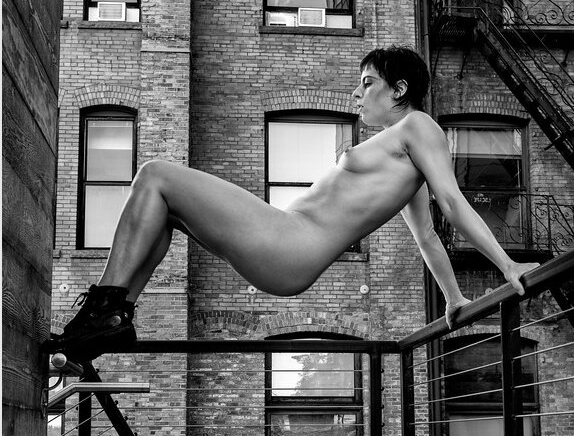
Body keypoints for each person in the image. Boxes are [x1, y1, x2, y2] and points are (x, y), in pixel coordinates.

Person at [48, 46, 539, 359]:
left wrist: (507, 266)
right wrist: (453, 299)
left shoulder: (419, 126)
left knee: (156, 175)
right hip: (288, 245)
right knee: (166, 209)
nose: (357, 92)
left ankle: (105, 314)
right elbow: (427, 237)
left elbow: (451, 202)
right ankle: (111, 320)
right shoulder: (401, 152)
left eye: (367, 82)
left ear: (400, 90)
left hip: (291, 243)